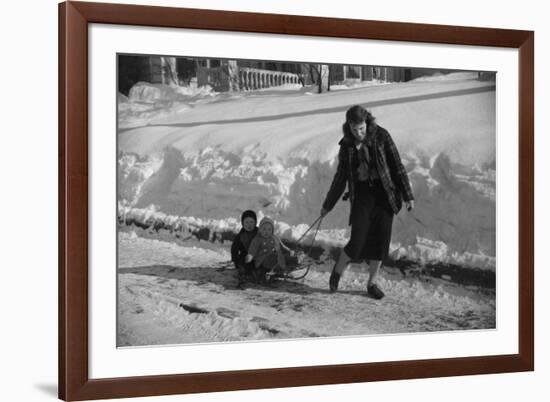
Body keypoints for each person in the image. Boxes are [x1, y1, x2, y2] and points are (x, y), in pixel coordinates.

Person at [321, 105, 415, 299]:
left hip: (384, 195)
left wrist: (407, 195)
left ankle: (372, 283)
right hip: (362, 196)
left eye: (361, 128)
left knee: (381, 241)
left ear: (368, 122)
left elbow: (397, 166)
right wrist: (327, 205)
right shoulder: (347, 145)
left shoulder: (382, 136)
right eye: (354, 129)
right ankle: (338, 269)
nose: (358, 133)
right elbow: (340, 178)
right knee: (358, 241)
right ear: (349, 126)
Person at [246, 217, 294, 283]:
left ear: (272, 230)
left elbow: (282, 246)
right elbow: (253, 249)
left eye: (269, 229)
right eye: (264, 229)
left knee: (284, 257)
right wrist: (250, 256)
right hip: (262, 260)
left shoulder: (274, 237)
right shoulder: (257, 239)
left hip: (274, 257)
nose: (266, 231)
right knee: (277, 258)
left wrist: (289, 251)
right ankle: (281, 269)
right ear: (260, 230)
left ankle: (293, 262)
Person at [231, 210, 258, 287]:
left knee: (259, 265)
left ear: (255, 223)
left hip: (257, 255)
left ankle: (257, 273)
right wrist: (235, 260)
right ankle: (243, 273)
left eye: (251, 222)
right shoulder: (240, 236)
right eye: (246, 222)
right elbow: (234, 248)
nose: (249, 225)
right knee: (243, 264)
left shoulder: (259, 232)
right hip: (245, 256)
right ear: (242, 223)